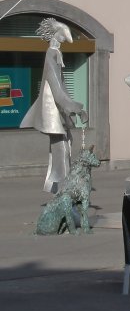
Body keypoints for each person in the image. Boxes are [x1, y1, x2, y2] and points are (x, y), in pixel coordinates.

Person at [22, 18, 85, 194]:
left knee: (65, 146)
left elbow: (60, 86)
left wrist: (71, 107)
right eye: (62, 36)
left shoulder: (55, 53)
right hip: (52, 112)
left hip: (58, 111)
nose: (65, 39)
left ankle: (56, 185)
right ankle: (63, 189)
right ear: (55, 35)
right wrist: (76, 108)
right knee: (62, 150)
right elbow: (56, 88)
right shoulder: (51, 54)